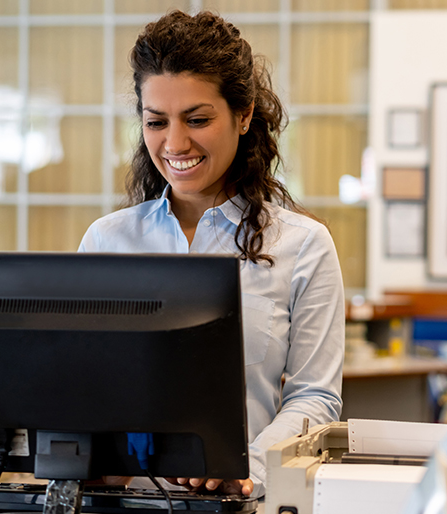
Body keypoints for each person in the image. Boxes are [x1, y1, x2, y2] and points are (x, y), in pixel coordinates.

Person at [78, 11, 345, 498]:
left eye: (198, 120)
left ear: (243, 116)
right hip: (122, 503)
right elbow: (82, 386)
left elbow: (315, 397)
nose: (175, 143)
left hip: (240, 502)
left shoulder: (303, 245)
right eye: (156, 122)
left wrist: (250, 472)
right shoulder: (106, 241)